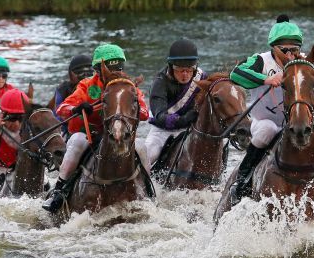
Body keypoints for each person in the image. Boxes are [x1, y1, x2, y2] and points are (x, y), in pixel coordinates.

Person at [229, 14, 314, 203]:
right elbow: (236, 74)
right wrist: (265, 79)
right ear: (273, 48)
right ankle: (243, 180)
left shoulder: (307, 64)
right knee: (266, 131)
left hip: (301, 120)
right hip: (267, 120)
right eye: (285, 49)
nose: (291, 54)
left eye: (295, 49)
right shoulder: (261, 61)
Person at [42, 44, 149, 212]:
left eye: (118, 67)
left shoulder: (129, 87)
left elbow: (144, 113)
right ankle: (59, 191)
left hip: (119, 133)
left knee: (142, 147)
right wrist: (76, 109)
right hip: (90, 135)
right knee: (76, 142)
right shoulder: (86, 85)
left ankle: (148, 191)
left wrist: (133, 108)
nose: (114, 72)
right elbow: (62, 109)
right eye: (109, 68)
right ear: (98, 70)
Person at [145, 38, 207, 168]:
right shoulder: (160, 82)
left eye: (189, 70)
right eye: (180, 70)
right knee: (147, 156)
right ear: (171, 67)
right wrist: (183, 120)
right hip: (162, 132)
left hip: (191, 131)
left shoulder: (202, 78)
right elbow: (160, 116)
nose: (185, 74)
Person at [49, 54, 94, 138]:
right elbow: (58, 116)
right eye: (79, 72)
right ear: (70, 74)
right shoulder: (62, 90)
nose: (85, 75)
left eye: (89, 71)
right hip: (69, 129)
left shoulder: (101, 85)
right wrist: (74, 111)